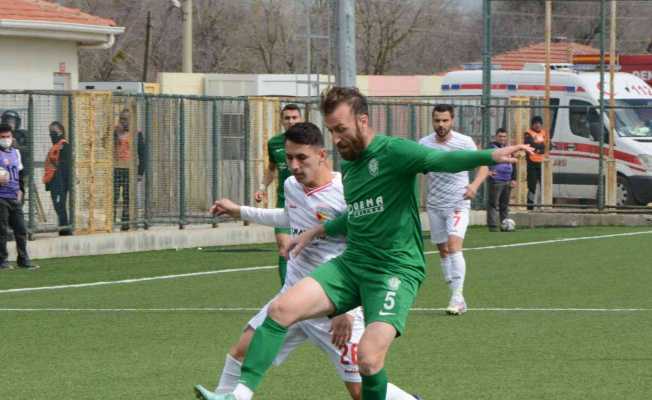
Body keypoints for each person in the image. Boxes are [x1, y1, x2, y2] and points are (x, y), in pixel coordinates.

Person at [205, 87, 530, 400]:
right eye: (331, 130)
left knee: (369, 362)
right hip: (351, 266)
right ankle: (238, 395)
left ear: (362, 120)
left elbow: (438, 160)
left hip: (393, 269)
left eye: (341, 129)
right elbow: (357, 216)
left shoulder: (393, 152)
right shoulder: (350, 165)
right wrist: (316, 231)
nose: (336, 139)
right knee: (280, 310)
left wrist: (491, 154)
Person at [195, 122, 417, 400]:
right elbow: (288, 217)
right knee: (241, 352)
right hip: (293, 296)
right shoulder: (291, 185)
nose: (294, 166)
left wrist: (348, 310)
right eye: (289, 158)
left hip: (333, 306)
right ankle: (227, 397)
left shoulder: (348, 190)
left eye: (302, 158)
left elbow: (366, 252)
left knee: (360, 388)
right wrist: (239, 210)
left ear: (322, 155)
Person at [418, 104, 489, 316]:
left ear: (452, 120)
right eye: (437, 120)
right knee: (443, 251)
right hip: (435, 204)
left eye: (445, 120)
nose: (441, 125)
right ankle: (458, 296)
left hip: (458, 203)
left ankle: (457, 298)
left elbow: (484, 164)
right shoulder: (424, 143)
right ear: (432, 121)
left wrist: (474, 186)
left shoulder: (464, 142)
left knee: (454, 245)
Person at [253, 104, 302, 286]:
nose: (291, 121)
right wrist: (262, 187)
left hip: (307, 203)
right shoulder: (274, 143)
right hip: (284, 203)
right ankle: (286, 290)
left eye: (294, 117)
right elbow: (272, 170)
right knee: (284, 249)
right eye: (287, 118)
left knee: (306, 250)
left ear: (300, 119)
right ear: (282, 120)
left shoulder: (309, 141)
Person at [0, 123, 38, 270]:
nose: (5, 139)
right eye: (2, 137)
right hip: (1, 198)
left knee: (21, 229)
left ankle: (23, 259)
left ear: (12, 137)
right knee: (2, 231)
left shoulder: (16, 153)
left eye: (7, 136)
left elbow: (20, 173)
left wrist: (21, 190)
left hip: (14, 197)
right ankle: (2, 261)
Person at [113, 109, 145, 231]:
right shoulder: (115, 131)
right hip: (115, 169)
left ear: (131, 121)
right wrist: (116, 134)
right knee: (113, 197)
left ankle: (125, 223)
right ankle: (111, 221)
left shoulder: (137, 133)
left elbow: (142, 154)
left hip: (129, 170)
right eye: (121, 119)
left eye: (125, 119)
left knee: (127, 198)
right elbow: (106, 145)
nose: (122, 122)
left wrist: (140, 172)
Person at [43, 121, 72, 236]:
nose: (52, 134)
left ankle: (65, 230)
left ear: (61, 131)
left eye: (54, 131)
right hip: (54, 181)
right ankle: (63, 228)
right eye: (50, 132)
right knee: (58, 206)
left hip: (59, 181)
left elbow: (64, 166)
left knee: (60, 206)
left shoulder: (64, 145)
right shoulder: (55, 146)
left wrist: (60, 183)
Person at [487, 128, 517, 232]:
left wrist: (514, 178)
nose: (502, 138)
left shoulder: (509, 148)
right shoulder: (491, 147)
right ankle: (493, 226)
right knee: (493, 204)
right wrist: (488, 172)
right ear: (496, 137)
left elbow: (513, 163)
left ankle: (505, 224)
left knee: (504, 205)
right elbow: (484, 160)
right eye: (500, 136)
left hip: (507, 179)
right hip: (496, 179)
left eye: (504, 136)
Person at [524, 115, 547, 210]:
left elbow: (544, 146)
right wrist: (539, 148)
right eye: (535, 123)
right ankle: (530, 205)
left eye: (539, 123)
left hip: (541, 162)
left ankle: (542, 205)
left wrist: (538, 148)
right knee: (532, 186)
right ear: (532, 124)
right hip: (531, 163)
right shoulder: (528, 133)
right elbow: (530, 145)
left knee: (543, 185)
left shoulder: (543, 133)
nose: (537, 125)